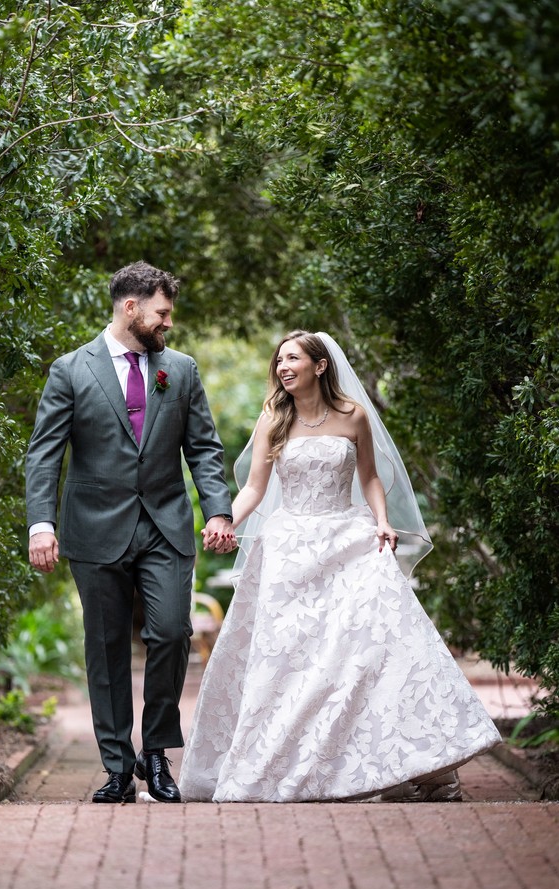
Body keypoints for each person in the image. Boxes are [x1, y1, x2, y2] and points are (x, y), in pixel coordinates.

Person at [179, 330, 501, 803]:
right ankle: (298, 762)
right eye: (279, 361)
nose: (283, 367)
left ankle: (416, 759)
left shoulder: (354, 415)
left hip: (349, 541)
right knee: (293, 661)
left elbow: (370, 476)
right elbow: (254, 488)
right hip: (291, 550)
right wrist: (223, 520)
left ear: (320, 365)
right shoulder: (275, 418)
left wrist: (383, 521)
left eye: (293, 359)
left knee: (378, 645)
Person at [26, 261, 235, 804]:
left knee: (171, 633)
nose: (168, 324)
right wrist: (40, 524)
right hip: (94, 530)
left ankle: (157, 754)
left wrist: (218, 511)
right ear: (131, 307)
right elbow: (45, 455)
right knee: (106, 647)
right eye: (162, 313)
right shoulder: (71, 370)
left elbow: (205, 449)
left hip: (165, 525)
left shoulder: (181, 370)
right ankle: (118, 767)